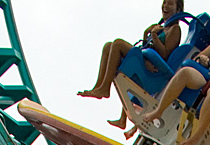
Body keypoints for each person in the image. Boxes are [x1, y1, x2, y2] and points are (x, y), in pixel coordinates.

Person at [78, 0, 184, 131]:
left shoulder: (175, 29)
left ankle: (105, 89)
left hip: (154, 70)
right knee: (108, 47)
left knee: (118, 44)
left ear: (178, 10)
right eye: (164, 2)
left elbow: (164, 54)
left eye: (170, 4)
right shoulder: (161, 26)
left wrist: (155, 35)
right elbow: (147, 44)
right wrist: (148, 33)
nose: (165, 6)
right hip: (146, 61)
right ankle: (100, 87)